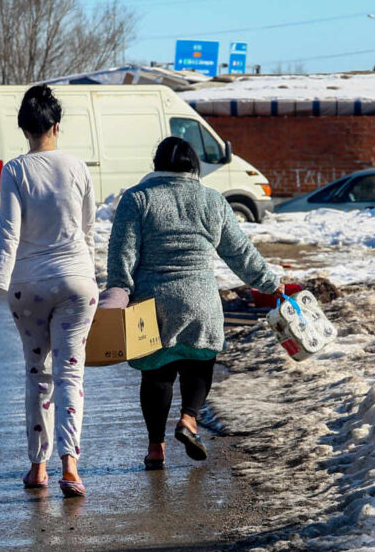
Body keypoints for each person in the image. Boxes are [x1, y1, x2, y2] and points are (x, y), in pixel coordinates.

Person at [106, 136, 284, 471]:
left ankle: (155, 448)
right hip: (201, 300)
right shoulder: (212, 200)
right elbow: (240, 253)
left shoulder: (138, 199)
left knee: (156, 373)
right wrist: (270, 284)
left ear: (156, 164)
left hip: (152, 302)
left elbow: (122, 256)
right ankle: (189, 419)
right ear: (194, 166)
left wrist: (118, 293)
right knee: (199, 361)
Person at [0, 85, 98, 498]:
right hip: (77, 284)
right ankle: (71, 466)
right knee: (71, 375)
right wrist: (91, 275)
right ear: (56, 126)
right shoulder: (78, 167)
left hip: (28, 286)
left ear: (24, 129)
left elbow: (8, 234)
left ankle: (37, 468)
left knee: (37, 375)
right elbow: (88, 232)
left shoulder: (15, 170)